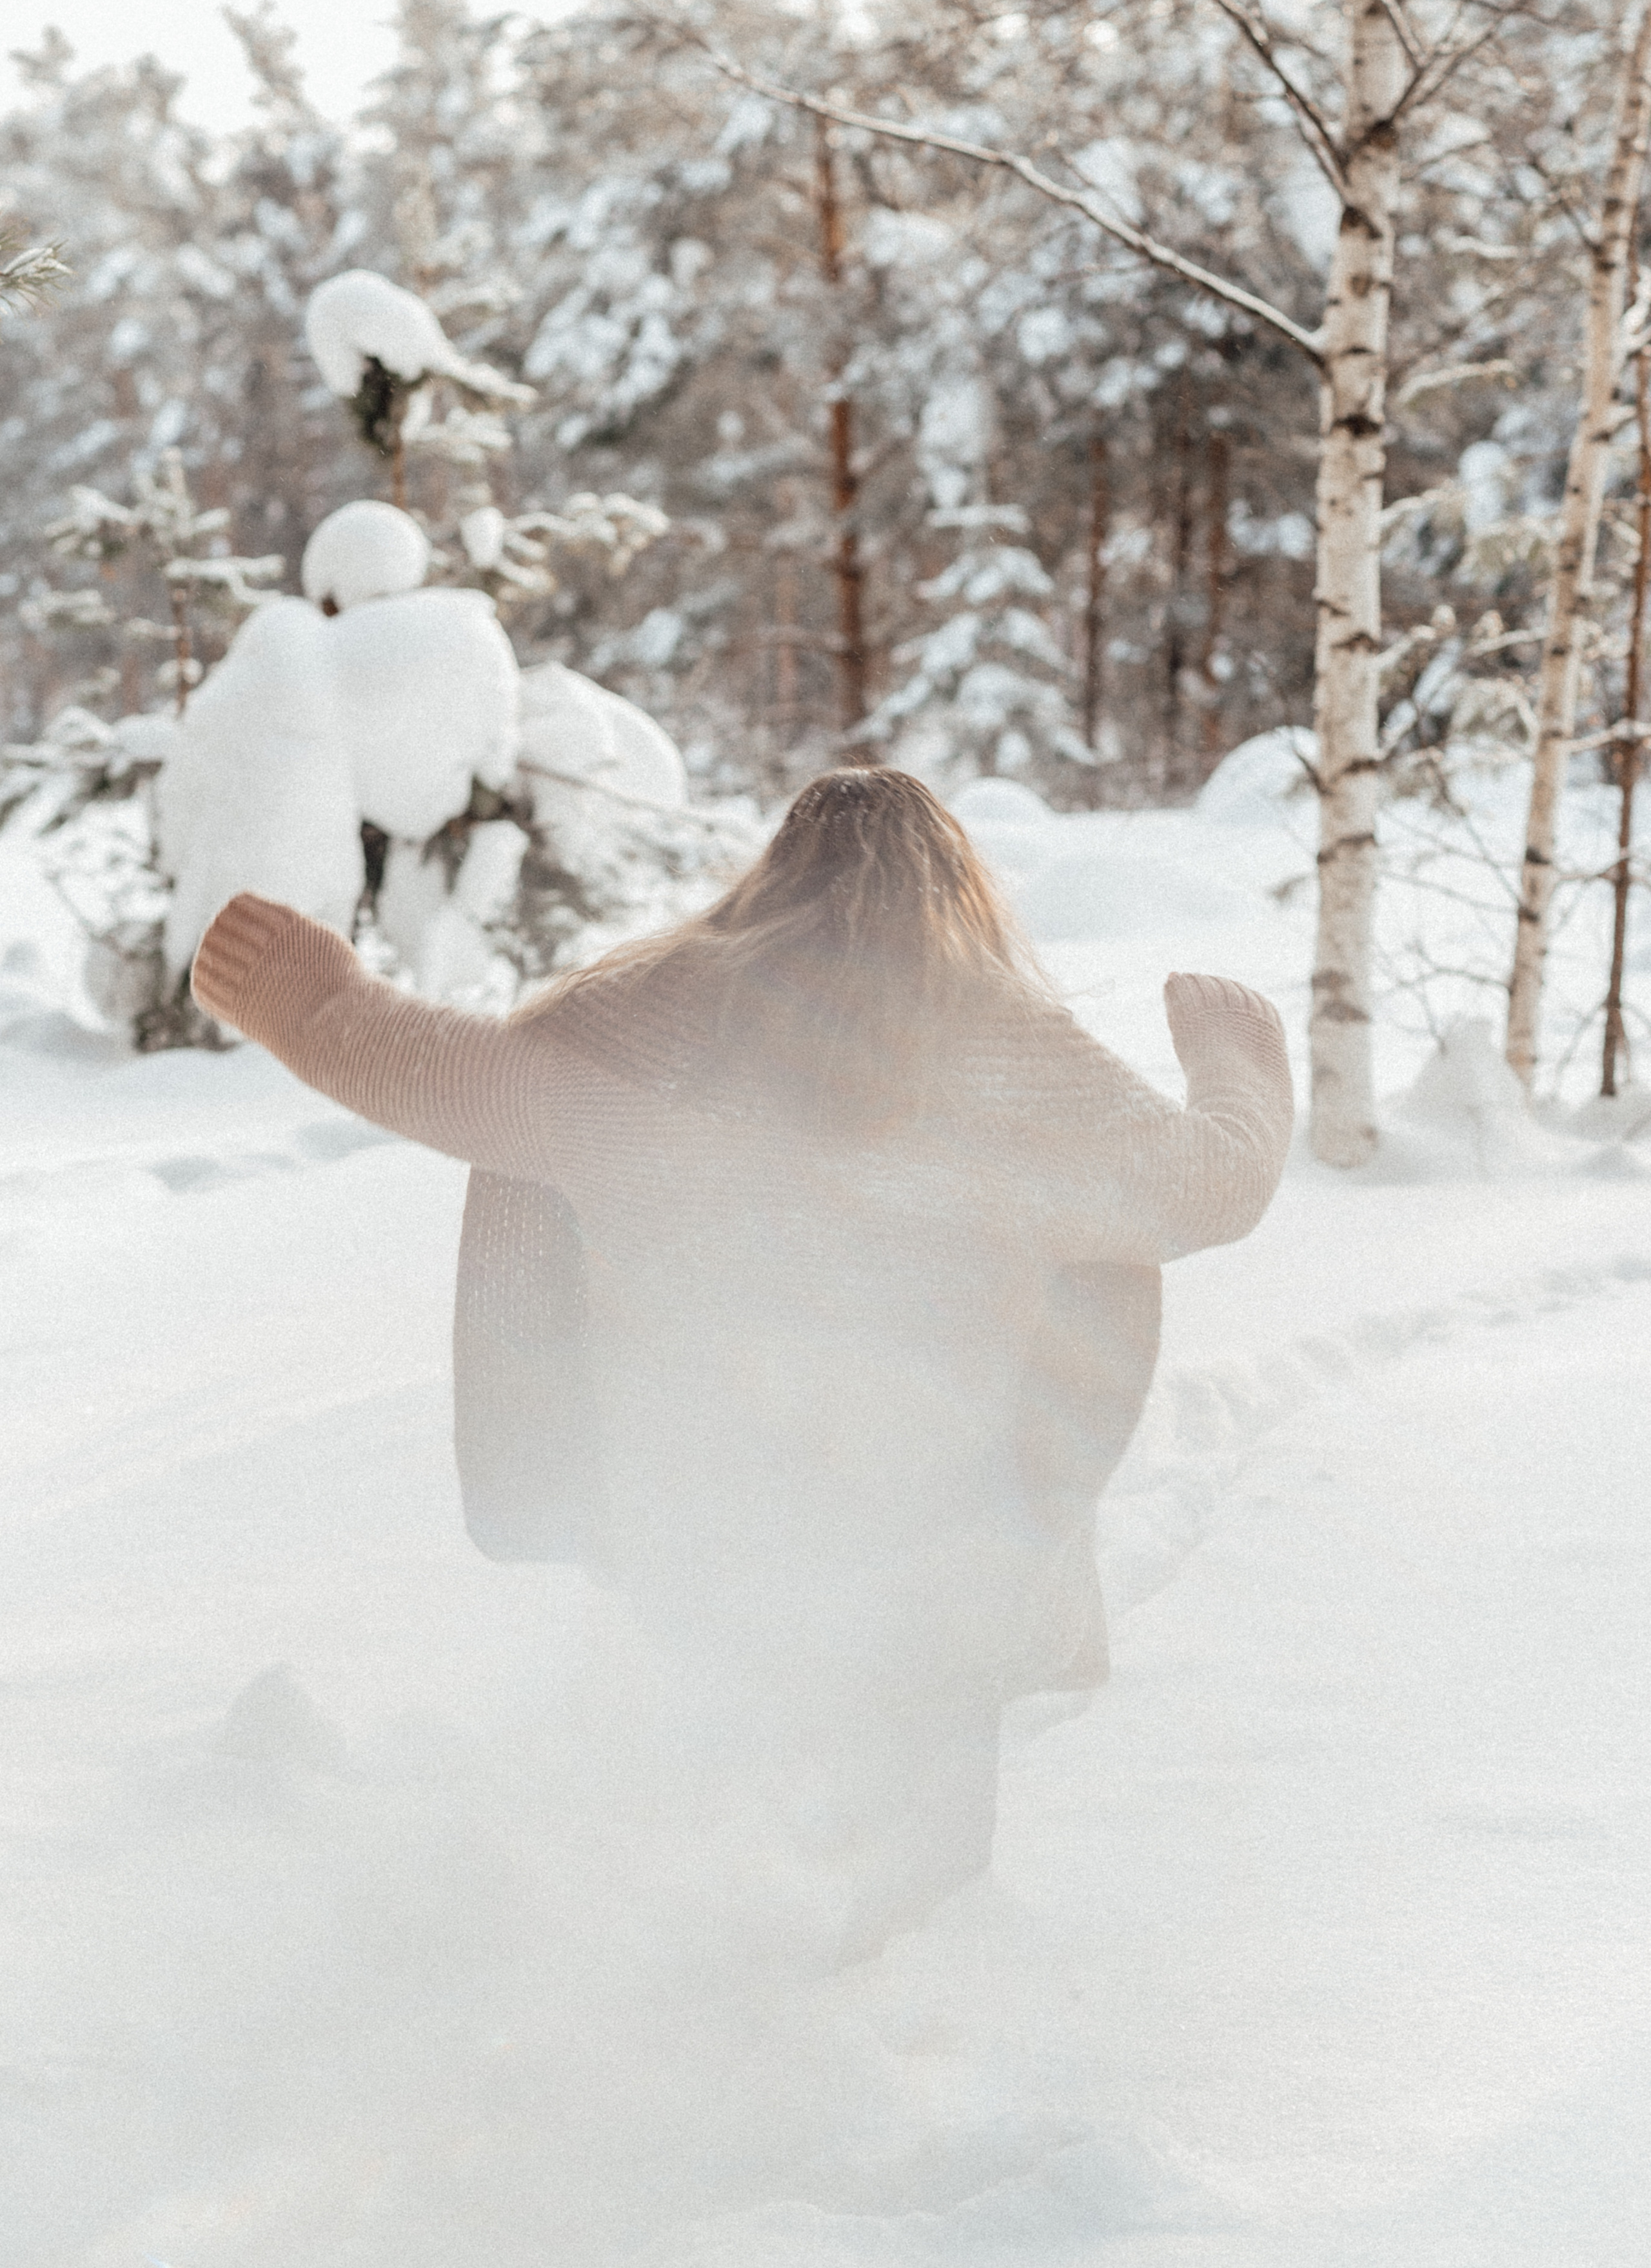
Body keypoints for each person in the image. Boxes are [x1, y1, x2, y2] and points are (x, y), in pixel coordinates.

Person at [191, 768, 1292, 1951]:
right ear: (959, 899)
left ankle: (720, 2025)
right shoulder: (1018, 1076)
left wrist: (310, 997)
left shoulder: (648, 1055)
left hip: (705, 1526)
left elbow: (451, 1076)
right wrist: (1238, 1051)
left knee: (727, 1814)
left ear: (772, 881)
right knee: (914, 1849)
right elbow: (1206, 1183)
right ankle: (889, 2012)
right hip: (947, 1535)